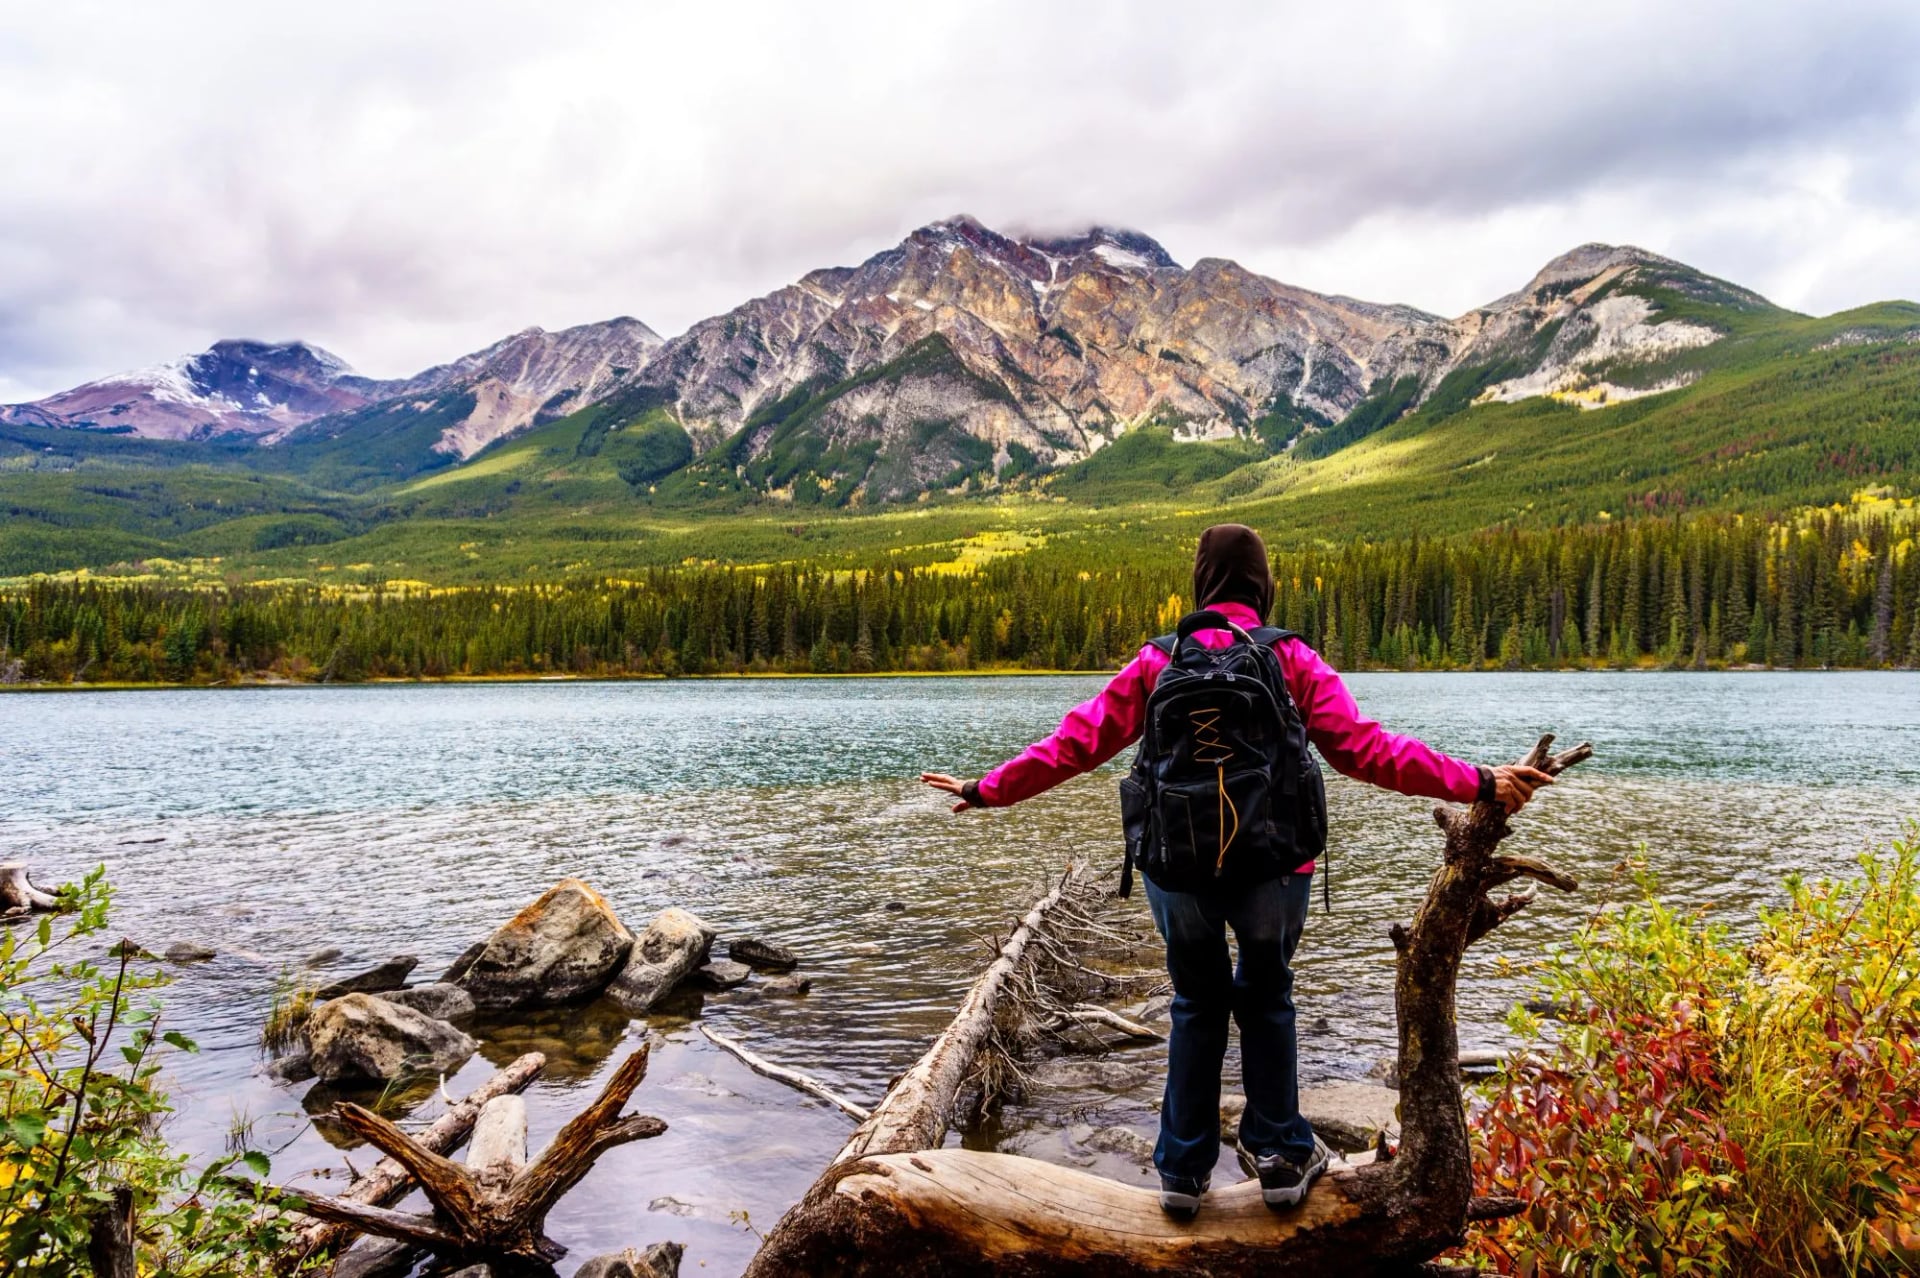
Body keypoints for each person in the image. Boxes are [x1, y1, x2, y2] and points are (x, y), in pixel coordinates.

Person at [922, 523, 1552, 1220]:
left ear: (1203, 582)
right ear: (1262, 583)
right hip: (1276, 867)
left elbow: (1076, 743)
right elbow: (1364, 750)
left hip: (1176, 868)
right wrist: (1477, 782)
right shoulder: (1291, 658)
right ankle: (1282, 1157)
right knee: (1267, 993)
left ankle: (1181, 1174)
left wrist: (987, 789)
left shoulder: (1157, 662)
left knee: (1194, 1003)